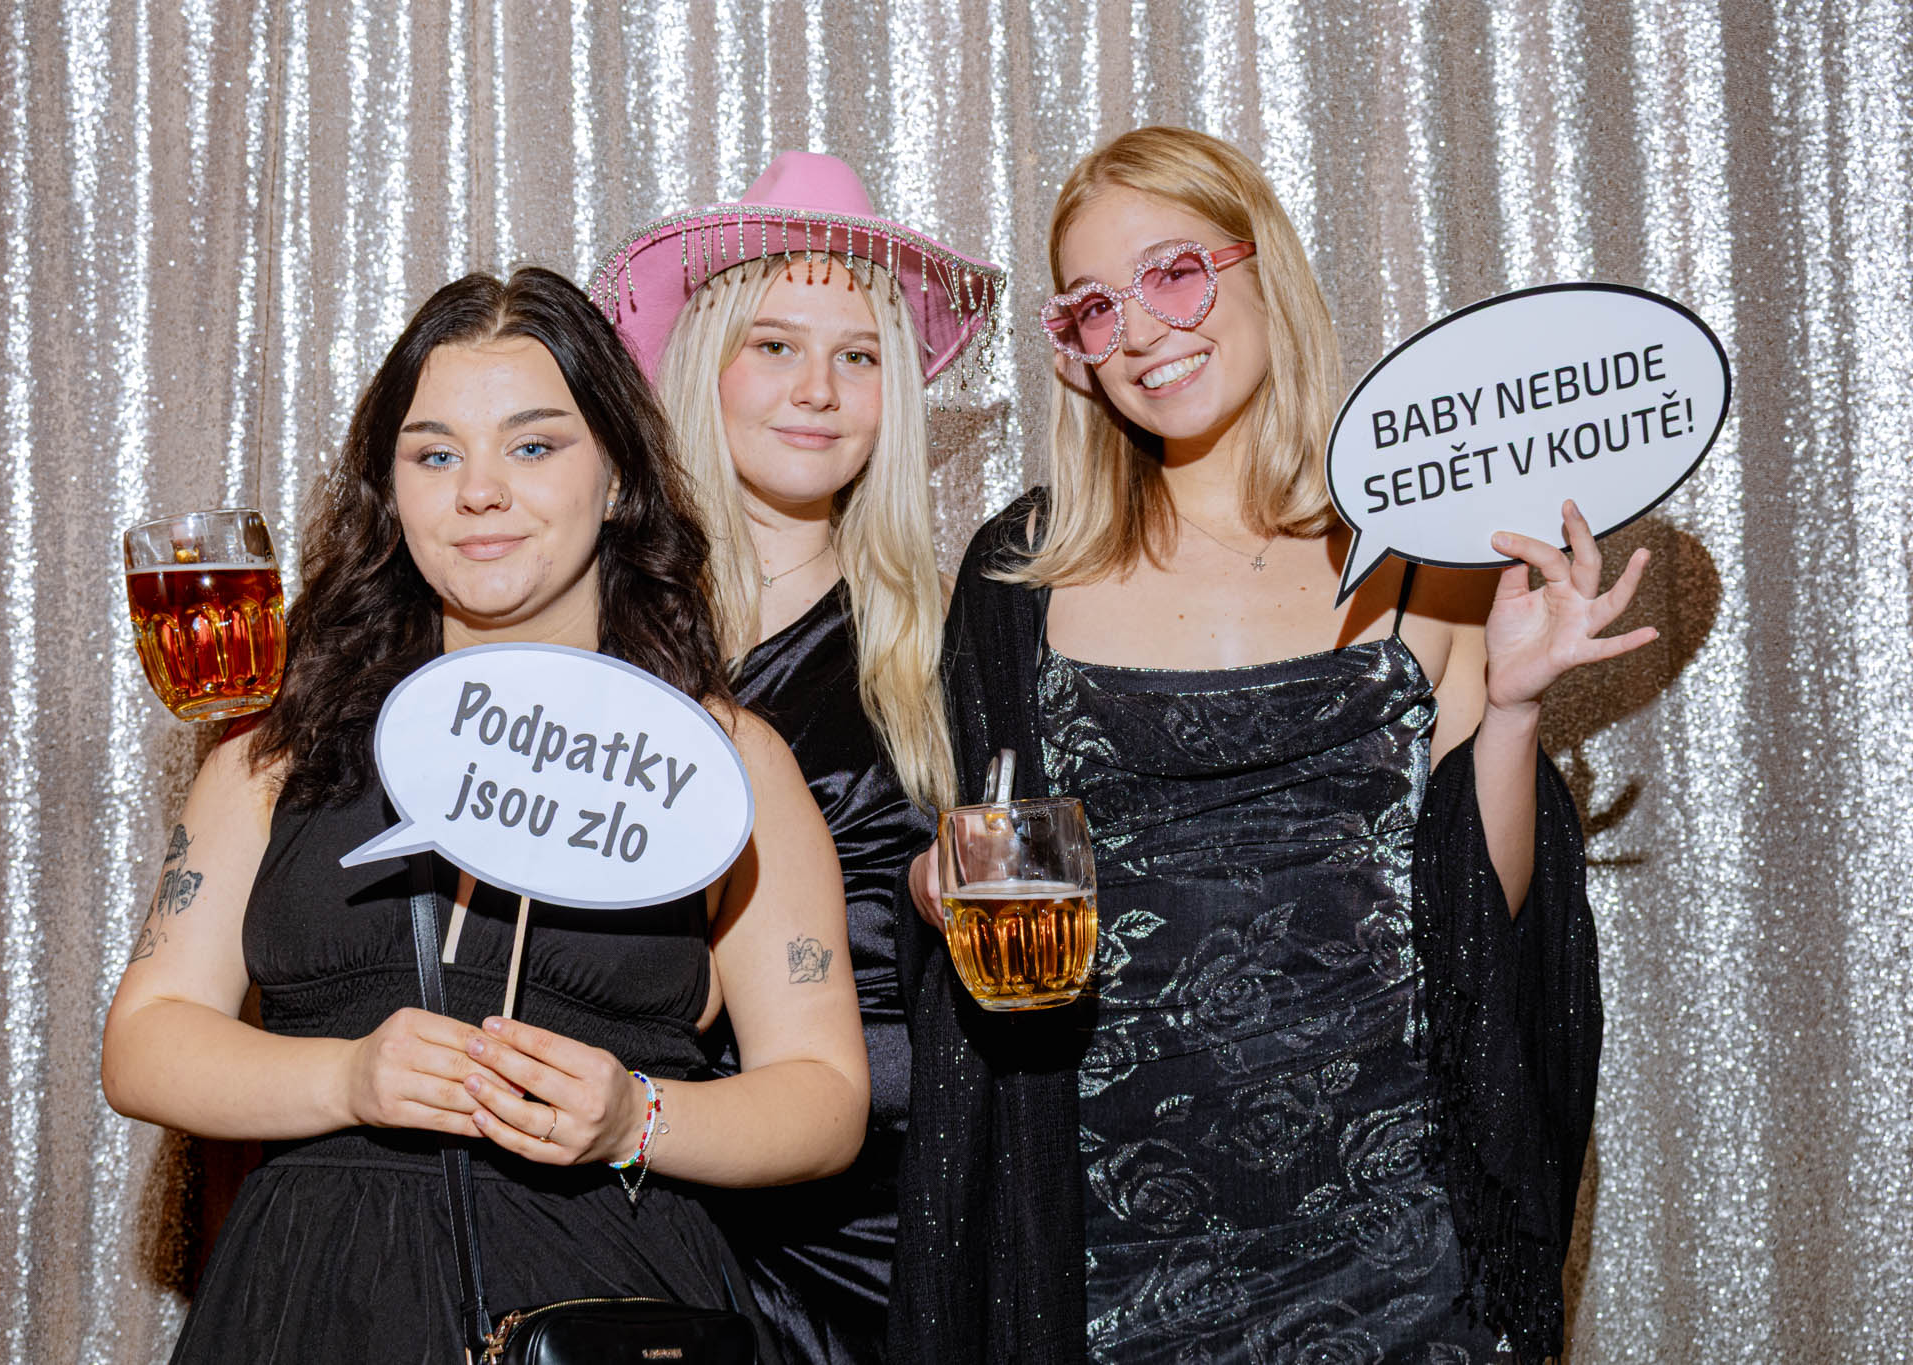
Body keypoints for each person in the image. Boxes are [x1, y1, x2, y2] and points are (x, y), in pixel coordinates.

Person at [895, 127, 1638, 1365]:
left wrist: (1511, 711)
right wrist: (940, 887)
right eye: (1094, 307)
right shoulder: (1020, 573)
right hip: (1106, 1244)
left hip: (1391, 1234)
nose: (1142, 329)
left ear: (1260, 268)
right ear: (1073, 353)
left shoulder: (1424, 548)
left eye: (1173, 273)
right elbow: (990, 847)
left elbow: (1479, 905)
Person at [101, 267, 871, 1363]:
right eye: (434, 455)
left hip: (609, 1304)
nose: (479, 492)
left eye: (533, 445)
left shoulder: (721, 761)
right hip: (309, 1307)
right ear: (390, 489)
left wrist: (635, 1119)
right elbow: (145, 1040)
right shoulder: (278, 744)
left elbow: (825, 1095)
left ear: (617, 477)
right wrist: (344, 1077)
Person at [586, 151, 1005, 1365]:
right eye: (774, 346)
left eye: (858, 357)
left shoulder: (957, 640)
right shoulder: (590, 632)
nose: (817, 390)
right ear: (700, 364)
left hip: (887, 1219)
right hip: (628, 1184)